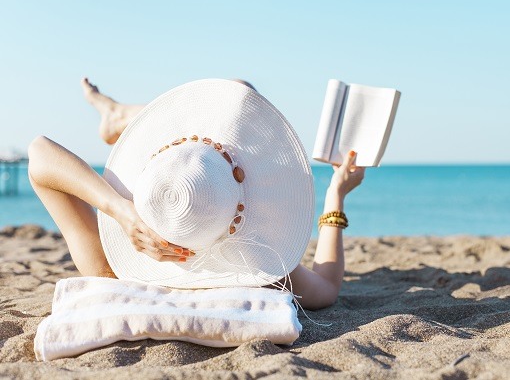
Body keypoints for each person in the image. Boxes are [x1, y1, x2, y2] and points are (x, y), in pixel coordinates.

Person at [27, 78, 365, 310]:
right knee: (239, 90)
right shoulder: (260, 273)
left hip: (134, 220)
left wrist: (120, 210)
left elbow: (40, 152)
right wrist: (336, 193)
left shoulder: (110, 271)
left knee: (237, 91)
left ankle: (121, 117)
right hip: (202, 229)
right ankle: (123, 117)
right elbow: (327, 285)